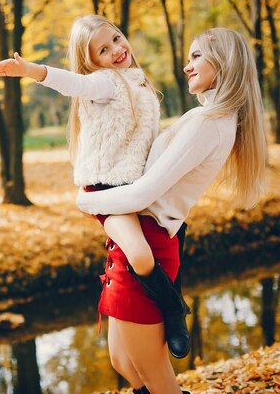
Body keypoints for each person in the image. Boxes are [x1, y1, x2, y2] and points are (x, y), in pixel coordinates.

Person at [74, 27, 267, 393]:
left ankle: (174, 314)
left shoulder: (207, 123)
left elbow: (143, 192)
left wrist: (86, 201)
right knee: (122, 361)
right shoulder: (208, 117)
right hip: (133, 237)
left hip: (146, 244)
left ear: (222, 61)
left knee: (154, 374)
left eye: (197, 56)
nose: (186, 66)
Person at [0, 14, 189, 349]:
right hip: (107, 190)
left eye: (117, 39)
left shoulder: (138, 81)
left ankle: (167, 310)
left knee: (174, 232)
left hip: (135, 187)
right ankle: (176, 315)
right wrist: (31, 70)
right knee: (139, 254)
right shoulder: (104, 83)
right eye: (103, 50)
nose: (116, 50)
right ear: (92, 61)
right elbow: (72, 83)